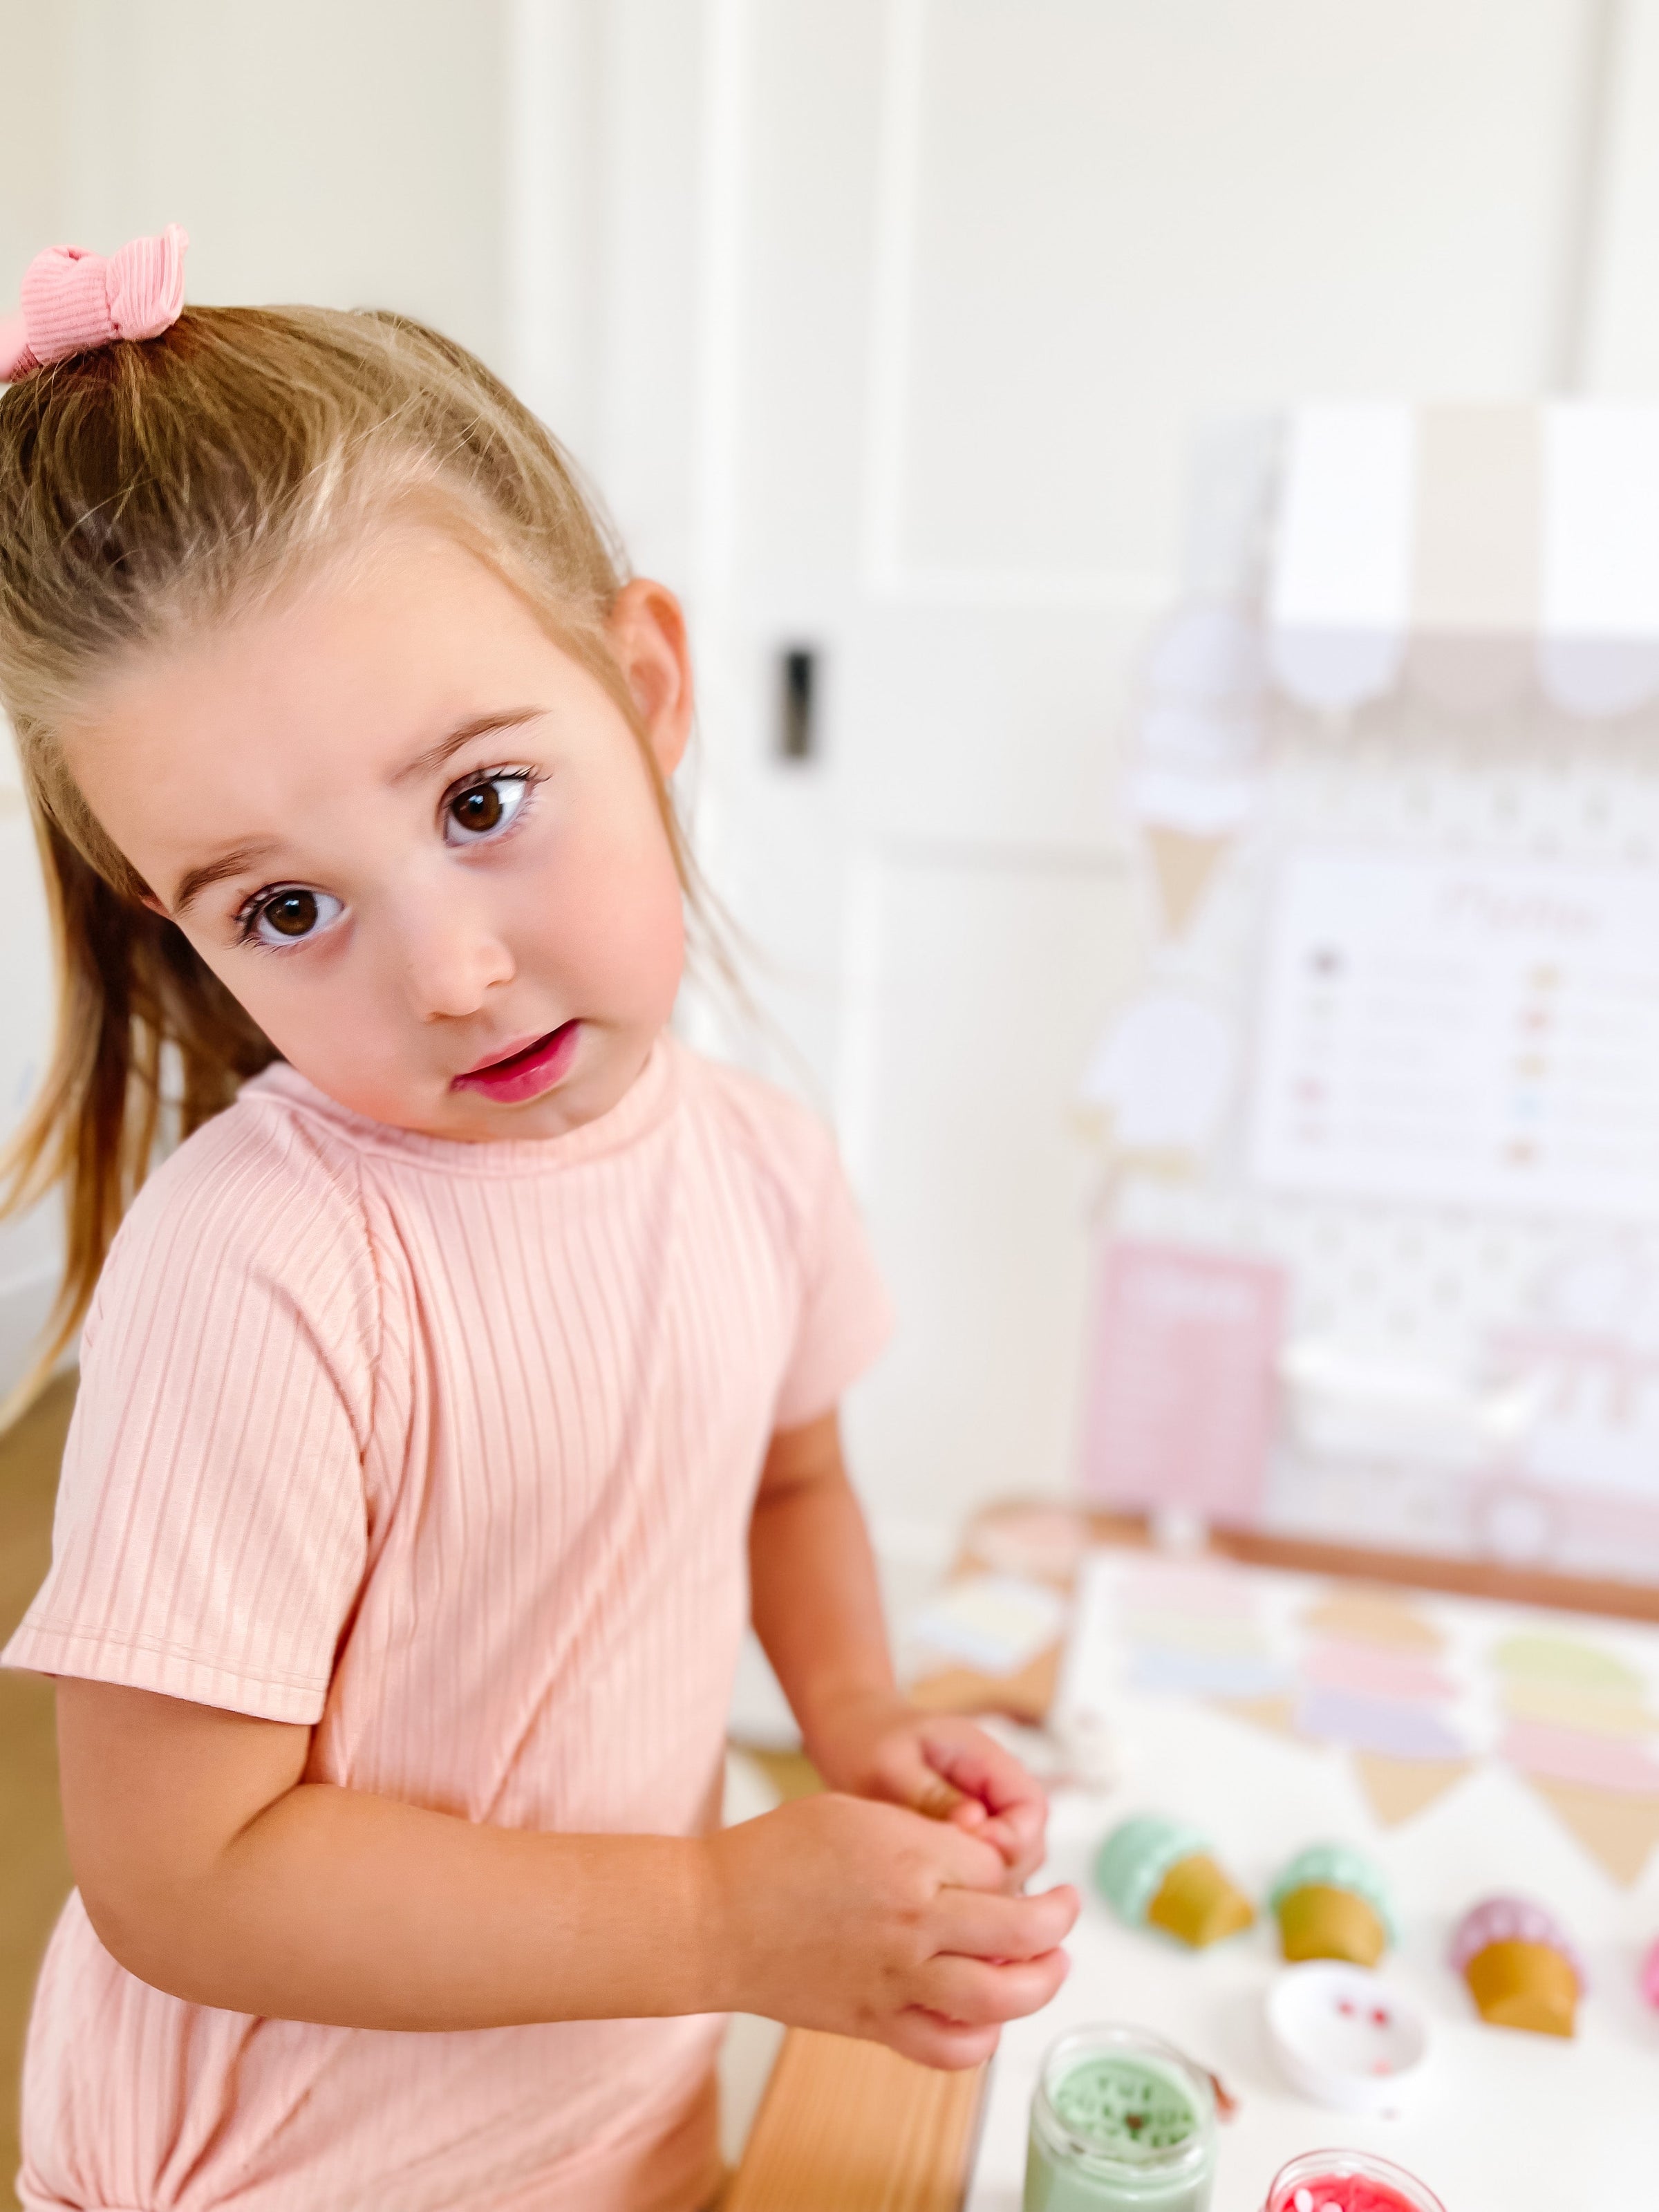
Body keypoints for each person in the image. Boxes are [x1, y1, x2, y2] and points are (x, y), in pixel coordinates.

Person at [0, 231, 1077, 2212]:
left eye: (483, 801)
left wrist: (854, 1721)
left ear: (644, 684)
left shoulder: (757, 1162)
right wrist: (722, 1924)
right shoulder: (261, 1272)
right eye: (289, 910)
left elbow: (787, 1484)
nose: (456, 976)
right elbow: (180, 1878)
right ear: (186, 927)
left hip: (611, 2114)